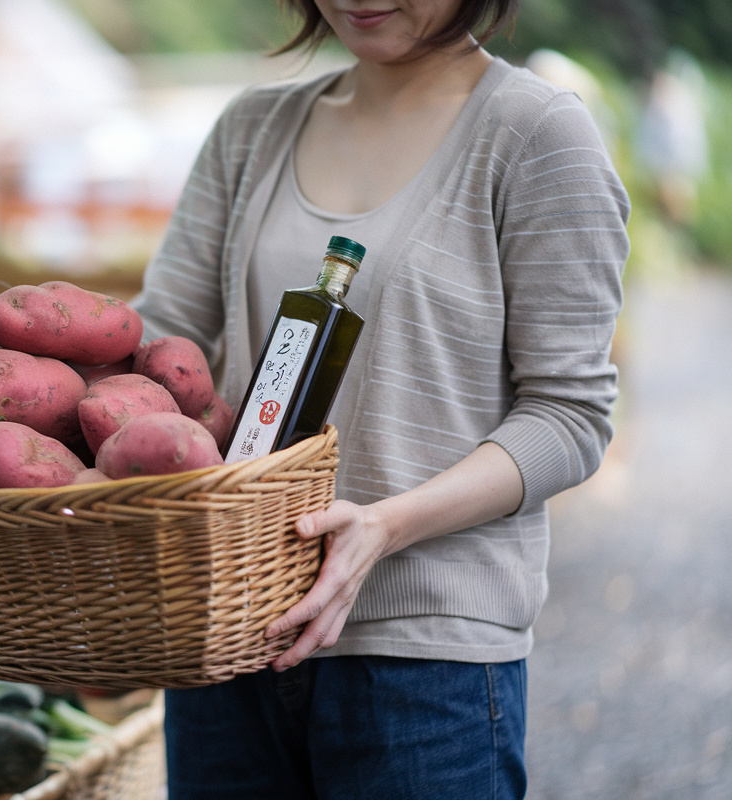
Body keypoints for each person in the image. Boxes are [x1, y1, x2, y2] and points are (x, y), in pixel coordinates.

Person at [131, 1, 630, 797]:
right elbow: (157, 345)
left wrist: (384, 527)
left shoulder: (536, 136)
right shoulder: (253, 129)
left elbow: (569, 416)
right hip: (224, 636)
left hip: (424, 668)